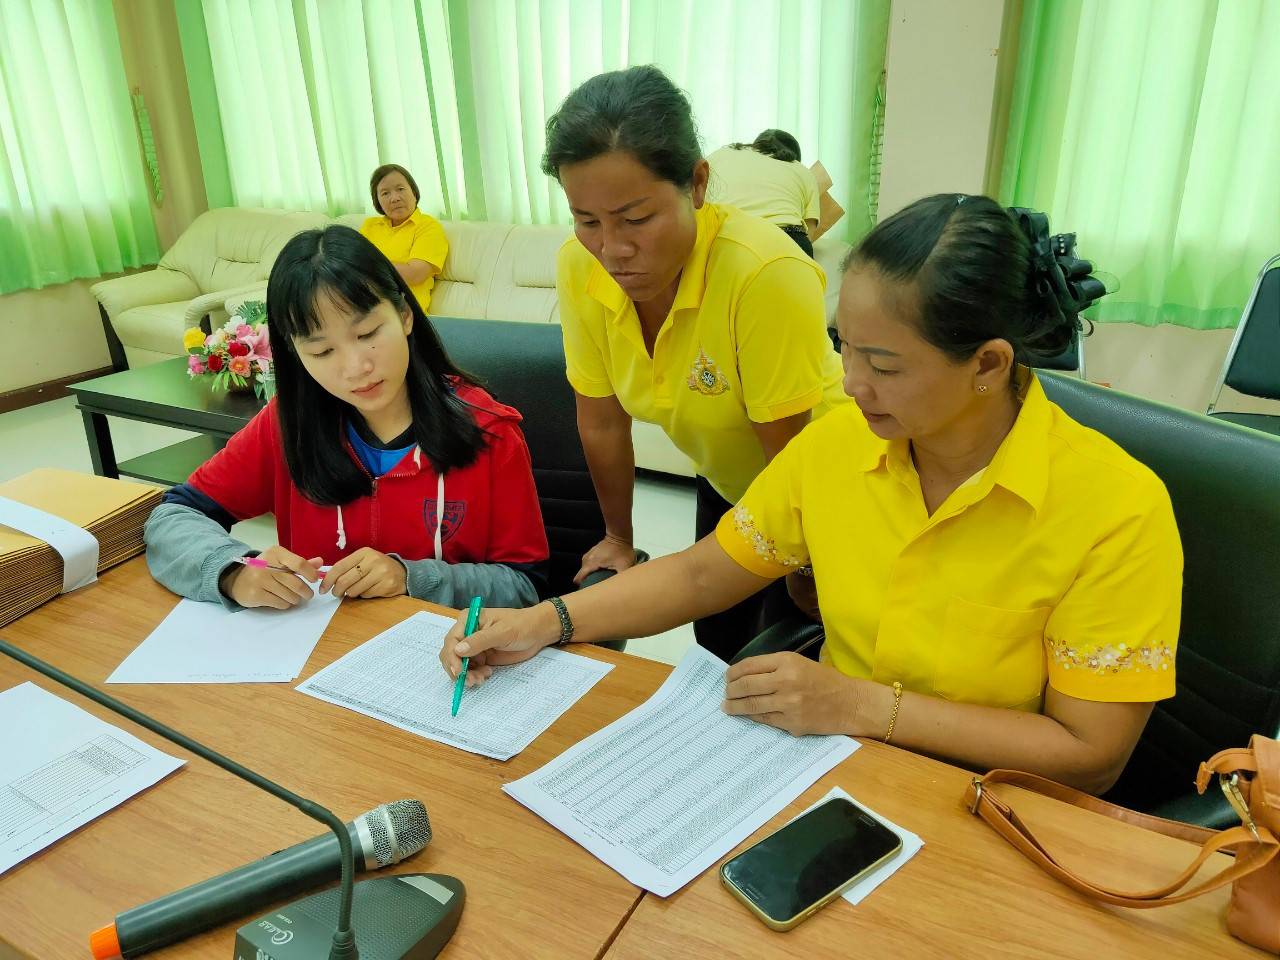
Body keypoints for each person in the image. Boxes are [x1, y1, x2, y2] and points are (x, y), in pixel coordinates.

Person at [438, 195, 1183, 795]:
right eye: (844, 348)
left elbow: (1090, 755)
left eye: (884, 366)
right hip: (834, 768)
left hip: (986, 806)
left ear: (988, 364)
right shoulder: (838, 445)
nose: (851, 384)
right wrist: (547, 621)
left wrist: (861, 705)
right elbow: (703, 574)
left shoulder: (1115, 508)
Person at [544, 66, 848, 662]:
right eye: (587, 221)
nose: (612, 249)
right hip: (726, 477)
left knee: (778, 658)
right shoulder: (580, 268)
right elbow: (602, 420)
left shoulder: (763, 273)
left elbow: (788, 454)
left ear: (698, 183)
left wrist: (803, 562)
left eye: (636, 219)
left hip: (820, 483)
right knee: (714, 643)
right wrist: (617, 538)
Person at [146, 225, 549, 611]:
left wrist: (412, 578)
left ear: (404, 315)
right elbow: (173, 514)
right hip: (318, 647)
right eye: (322, 352)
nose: (356, 368)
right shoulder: (289, 425)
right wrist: (235, 570)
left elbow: (524, 586)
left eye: (368, 333)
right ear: (296, 354)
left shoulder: (489, 432)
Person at [707, 130, 820, 256]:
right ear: (794, 157)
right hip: (787, 240)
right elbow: (809, 232)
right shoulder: (803, 171)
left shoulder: (722, 154)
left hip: (726, 236)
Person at [360, 164, 449, 312]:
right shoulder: (370, 226)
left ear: (413, 192)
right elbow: (349, 267)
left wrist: (367, 265)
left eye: (400, 189)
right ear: (377, 201)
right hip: (363, 307)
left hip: (404, 313)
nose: (394, 198)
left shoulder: (428, 226)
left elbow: (415, 274)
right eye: (385, 193)